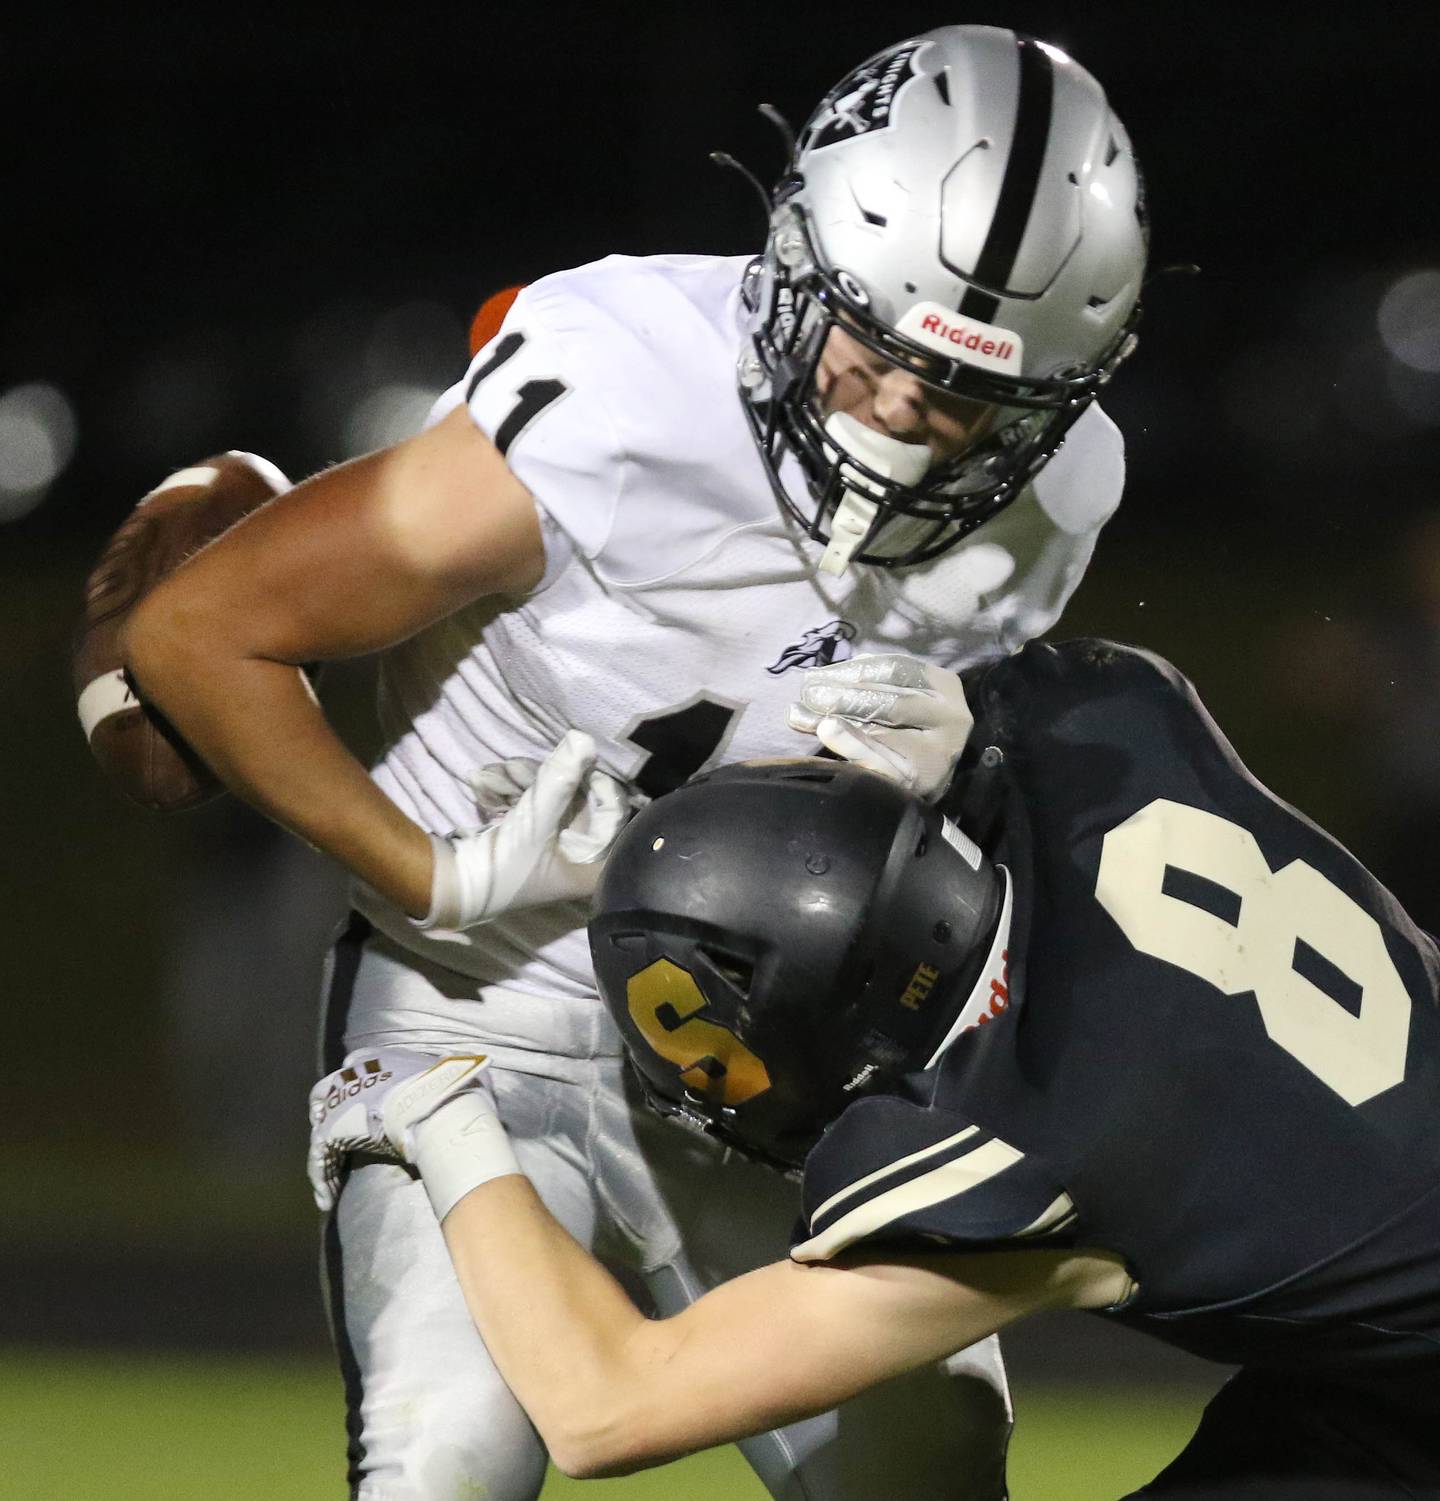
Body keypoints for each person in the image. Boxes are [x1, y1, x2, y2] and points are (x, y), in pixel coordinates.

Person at [125, 24, 1147, 1500]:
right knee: (448, 1466)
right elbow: (201, 631)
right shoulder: (622, 400)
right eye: (879, 354)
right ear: (798, 269)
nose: (908, 426)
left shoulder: (1065, 491)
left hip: (785, 1044)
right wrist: (436, 870)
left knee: (925, 1475)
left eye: (967, 395)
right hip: (489, 1002)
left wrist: (974, 753)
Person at [311, 639, 1440, 1498]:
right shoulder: (1104, 737)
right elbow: (1037, 712)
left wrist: (426, 1102)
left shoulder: (1032, 1144)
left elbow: (607, 1407)